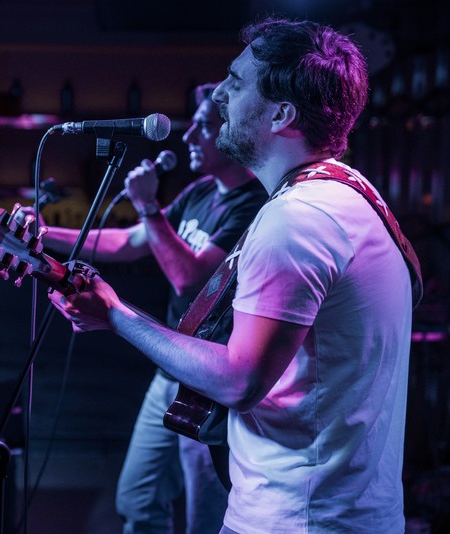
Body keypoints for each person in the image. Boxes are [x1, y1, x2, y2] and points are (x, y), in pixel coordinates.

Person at [49, 17, 421, 534]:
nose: (220, 95)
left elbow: (240, 380)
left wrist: (114, 314)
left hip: (298, 519)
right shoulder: (351, 192)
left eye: (236, 82)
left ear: (281, 115)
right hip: (340, 514)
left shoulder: (297, 219)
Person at [33, 84, 267, 533]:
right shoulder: (201, 192)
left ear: (232, 133)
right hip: (171, 364)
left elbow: (191, 278)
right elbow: (129, 242)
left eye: (204, 126)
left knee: (205, 513)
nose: (190, 136)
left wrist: (146, 205)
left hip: (209, 379)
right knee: (137, 498)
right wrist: (45, 234)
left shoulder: (252, 204)